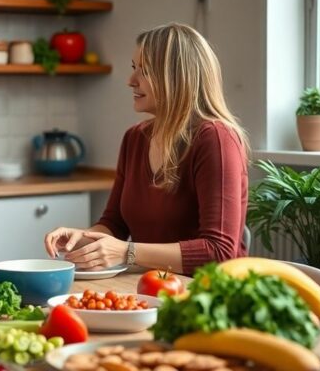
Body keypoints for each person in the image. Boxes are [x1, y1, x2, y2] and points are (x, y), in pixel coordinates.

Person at [44, 23, 249, 275]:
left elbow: (218, 252)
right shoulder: (134, 139)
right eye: (134, 68)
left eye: (145, 71)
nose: (131, 81)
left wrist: (126, 252)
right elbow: (114, 224)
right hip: (149, 287)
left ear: (177, 77)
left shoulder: (216, 139)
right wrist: (82, 238)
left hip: (206, 295)